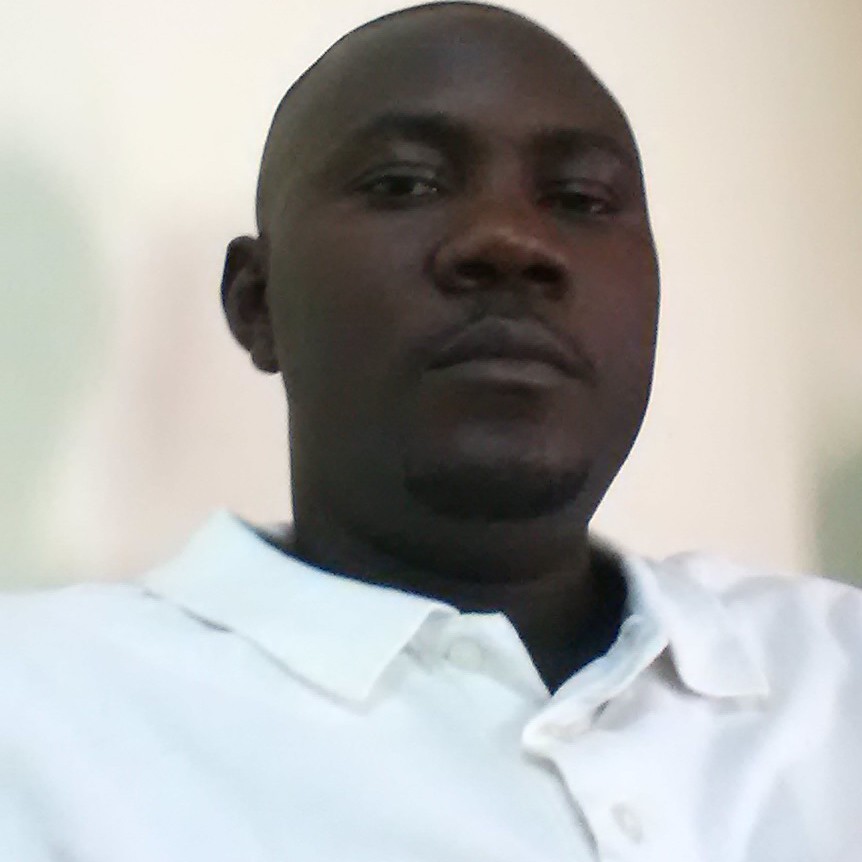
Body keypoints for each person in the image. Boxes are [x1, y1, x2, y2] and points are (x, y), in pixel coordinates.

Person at [1, 3, 860, 860]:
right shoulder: (38, 716)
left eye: (580, 198)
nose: (512, 241)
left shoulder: (834, 670)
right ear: (257, 302)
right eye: (404, 183)